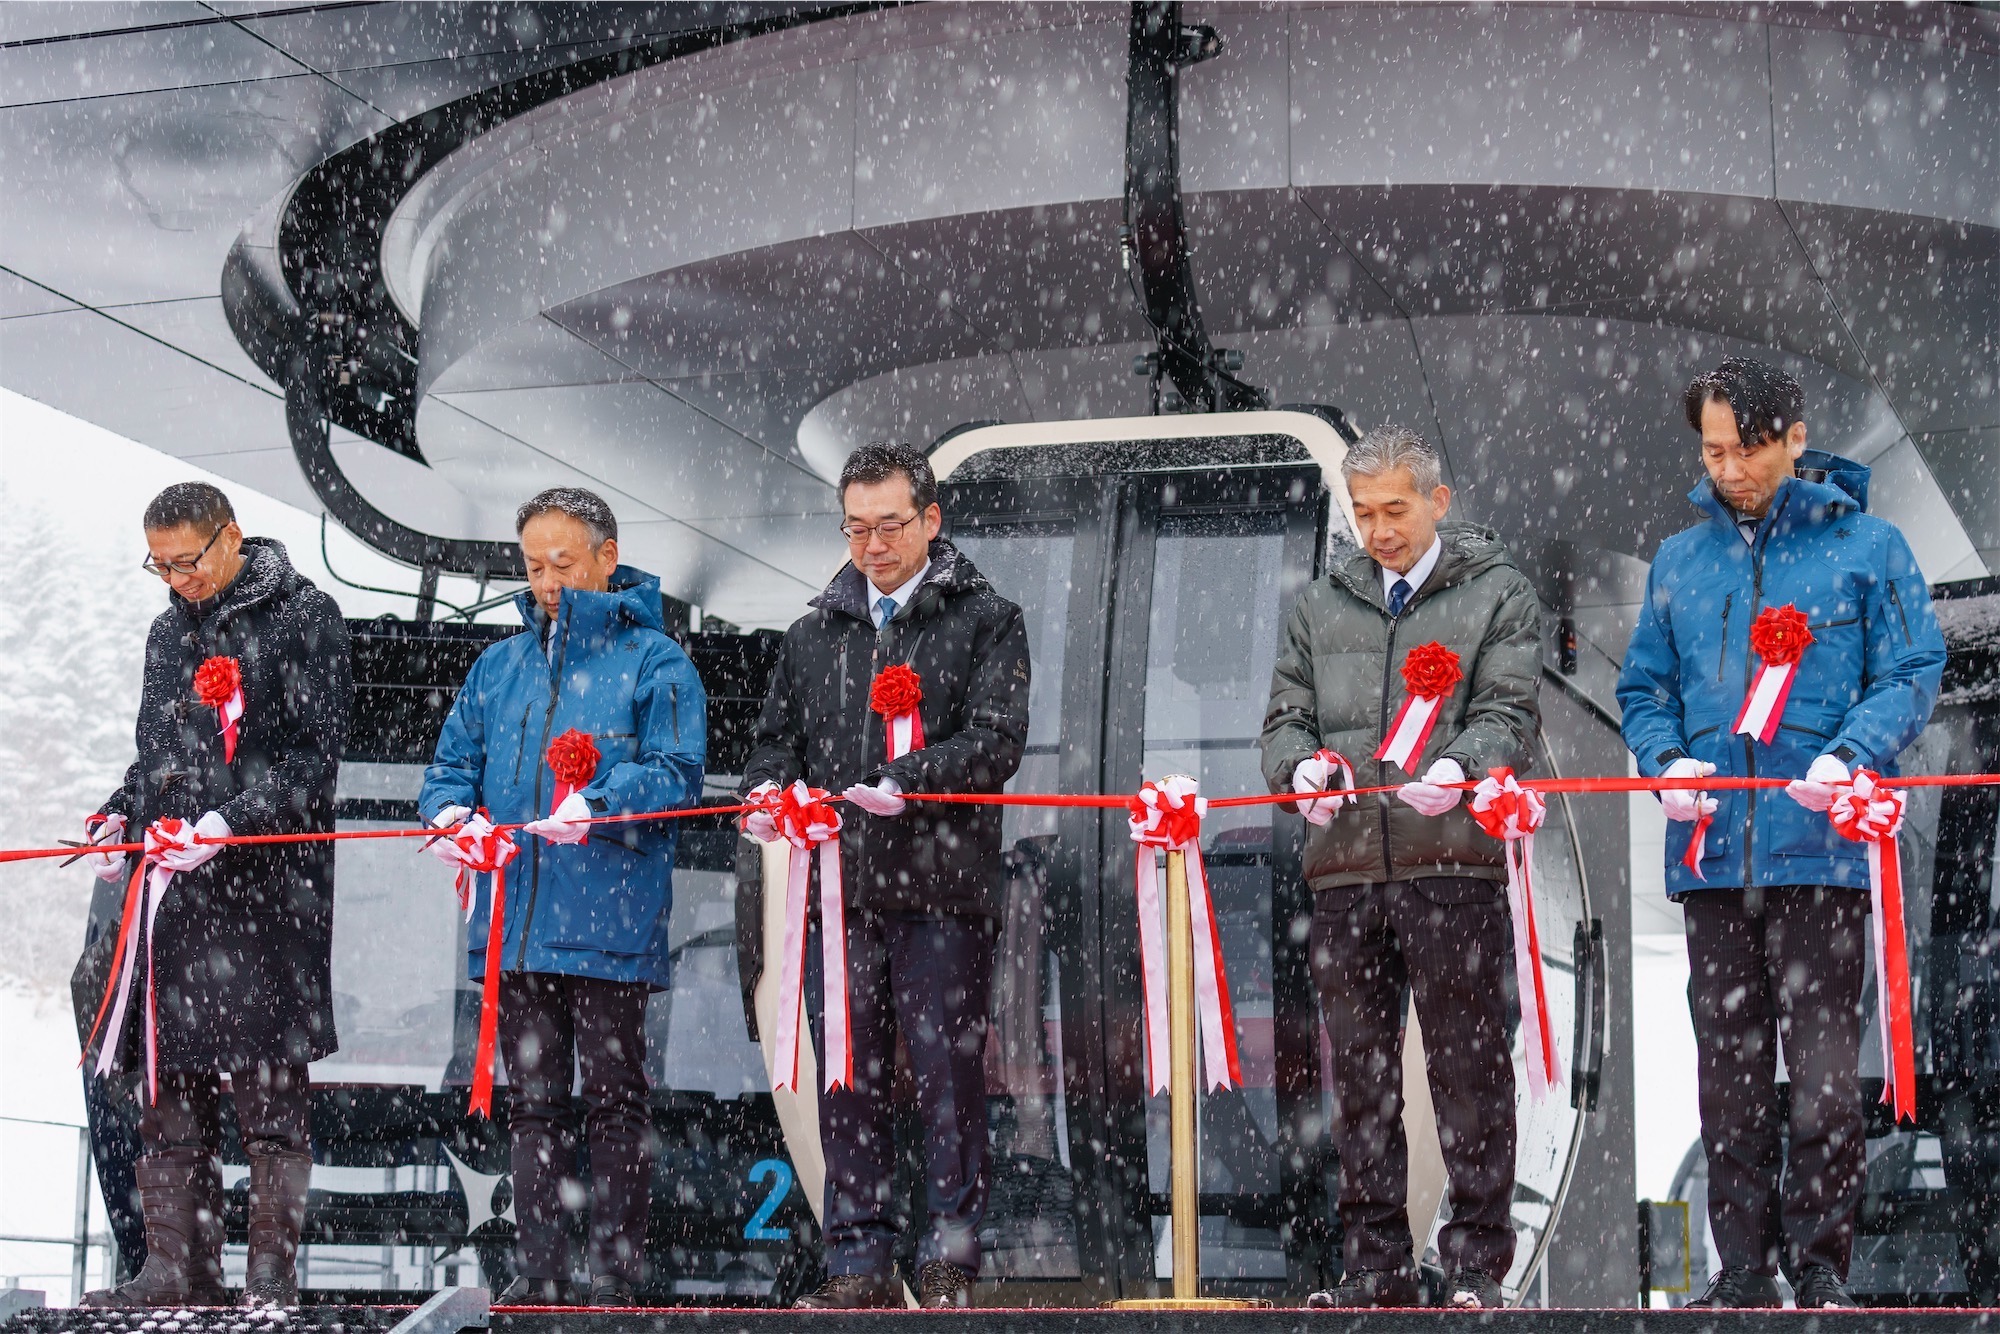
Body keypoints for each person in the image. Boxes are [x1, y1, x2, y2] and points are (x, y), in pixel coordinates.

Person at [1617, 357, 1946, 1310]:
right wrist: (1662, 760)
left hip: (1823, 859)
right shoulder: (1681, 560)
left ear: (1794, 439)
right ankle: (1744, 1271)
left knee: (1825, 1082)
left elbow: (1913, 664)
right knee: (1726, 1078)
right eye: (1713, 451)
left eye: (1746, 450)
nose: (1728, 469)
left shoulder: (1868, 547)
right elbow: (1645, 688)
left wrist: (1853, 754)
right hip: (1713, 859)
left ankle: (1822, 1267)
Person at [741, 441, 1030, 1309]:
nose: (872, 544)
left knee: (949, 1078)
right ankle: (858, 1262)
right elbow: (772, 743)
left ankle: (950, 1258)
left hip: (943, 889)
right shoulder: (811, 634)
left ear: (931, 521)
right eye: (856, 528)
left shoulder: (987, 620)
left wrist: (910, 781)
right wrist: (768, 794)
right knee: (846, 1080)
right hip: (842, 894)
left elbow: (996, 740)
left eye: (890, 525)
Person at [1259, 425, 1542, 1310]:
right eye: (1364, 511)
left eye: (1395, 510)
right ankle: (1375, 1263)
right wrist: (1295, 767)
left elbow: (1509, 711)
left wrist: (1461, 767)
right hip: (1343, 873)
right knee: (1362, 1080)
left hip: (1451, 867)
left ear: (1438, 504)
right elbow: (1284, 719)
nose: (1379, 529)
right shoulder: (1318, 604)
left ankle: (1473, 1265)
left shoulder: (1499, 595)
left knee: (1468, 1074)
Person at [419, 487, 705, 1306]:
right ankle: (540, 1271)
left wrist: (601, 802)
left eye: (563, 562)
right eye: (533, 564)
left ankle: (616, 1277)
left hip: (610, 919)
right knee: (533, 1104)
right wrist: (452, 816)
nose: (546, 580)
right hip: (515, 925)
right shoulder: (497, 666)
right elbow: (446, 771)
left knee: (616, 1102)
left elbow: (678, 774)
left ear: (606, 560)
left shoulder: (657, 662)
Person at [76, 482, 352, 1309]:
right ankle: (176, 1269)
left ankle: (271, 1276)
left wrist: (230, 821)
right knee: (168, 1098)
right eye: (157, 565)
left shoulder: (307, 615)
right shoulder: (168, 631)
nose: (174, 580)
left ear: (230, 538)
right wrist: (116, 815)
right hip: (176, 901)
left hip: (269, 897)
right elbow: (156, 760)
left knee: (270, 1100)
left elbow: (315, 761)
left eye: (186, 561)